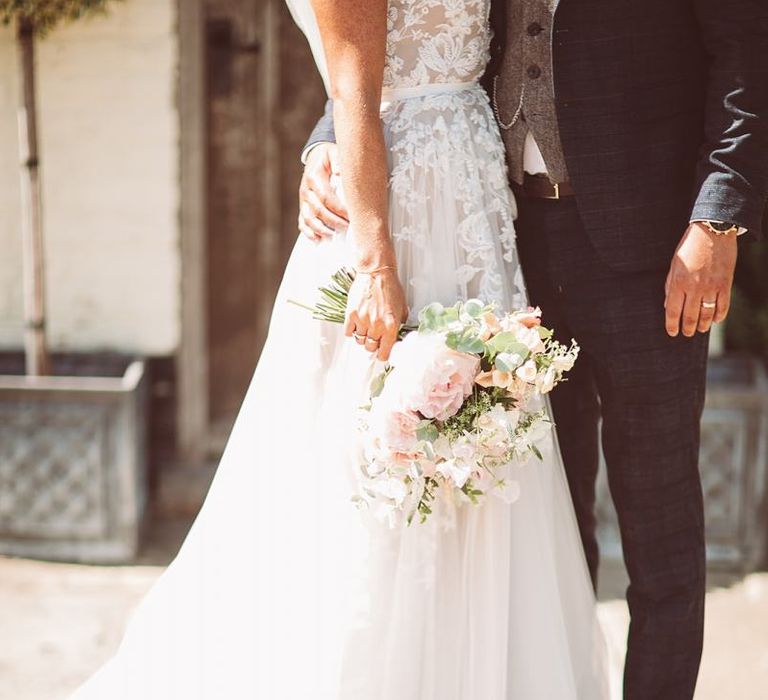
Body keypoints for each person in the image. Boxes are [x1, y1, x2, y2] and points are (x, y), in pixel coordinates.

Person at [69, 1, 613, 697]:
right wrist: (377, 263)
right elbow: (353, 92)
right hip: (397, 202)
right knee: (377, 450)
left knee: (486, 434)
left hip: (475, 197)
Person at [299, 1, 768, 699]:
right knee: (545, 521)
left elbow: (748, 58)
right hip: (508, 246)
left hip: (654, 256)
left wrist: (717, 220)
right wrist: (329, 136)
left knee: (659, 526)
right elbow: (394, 44)